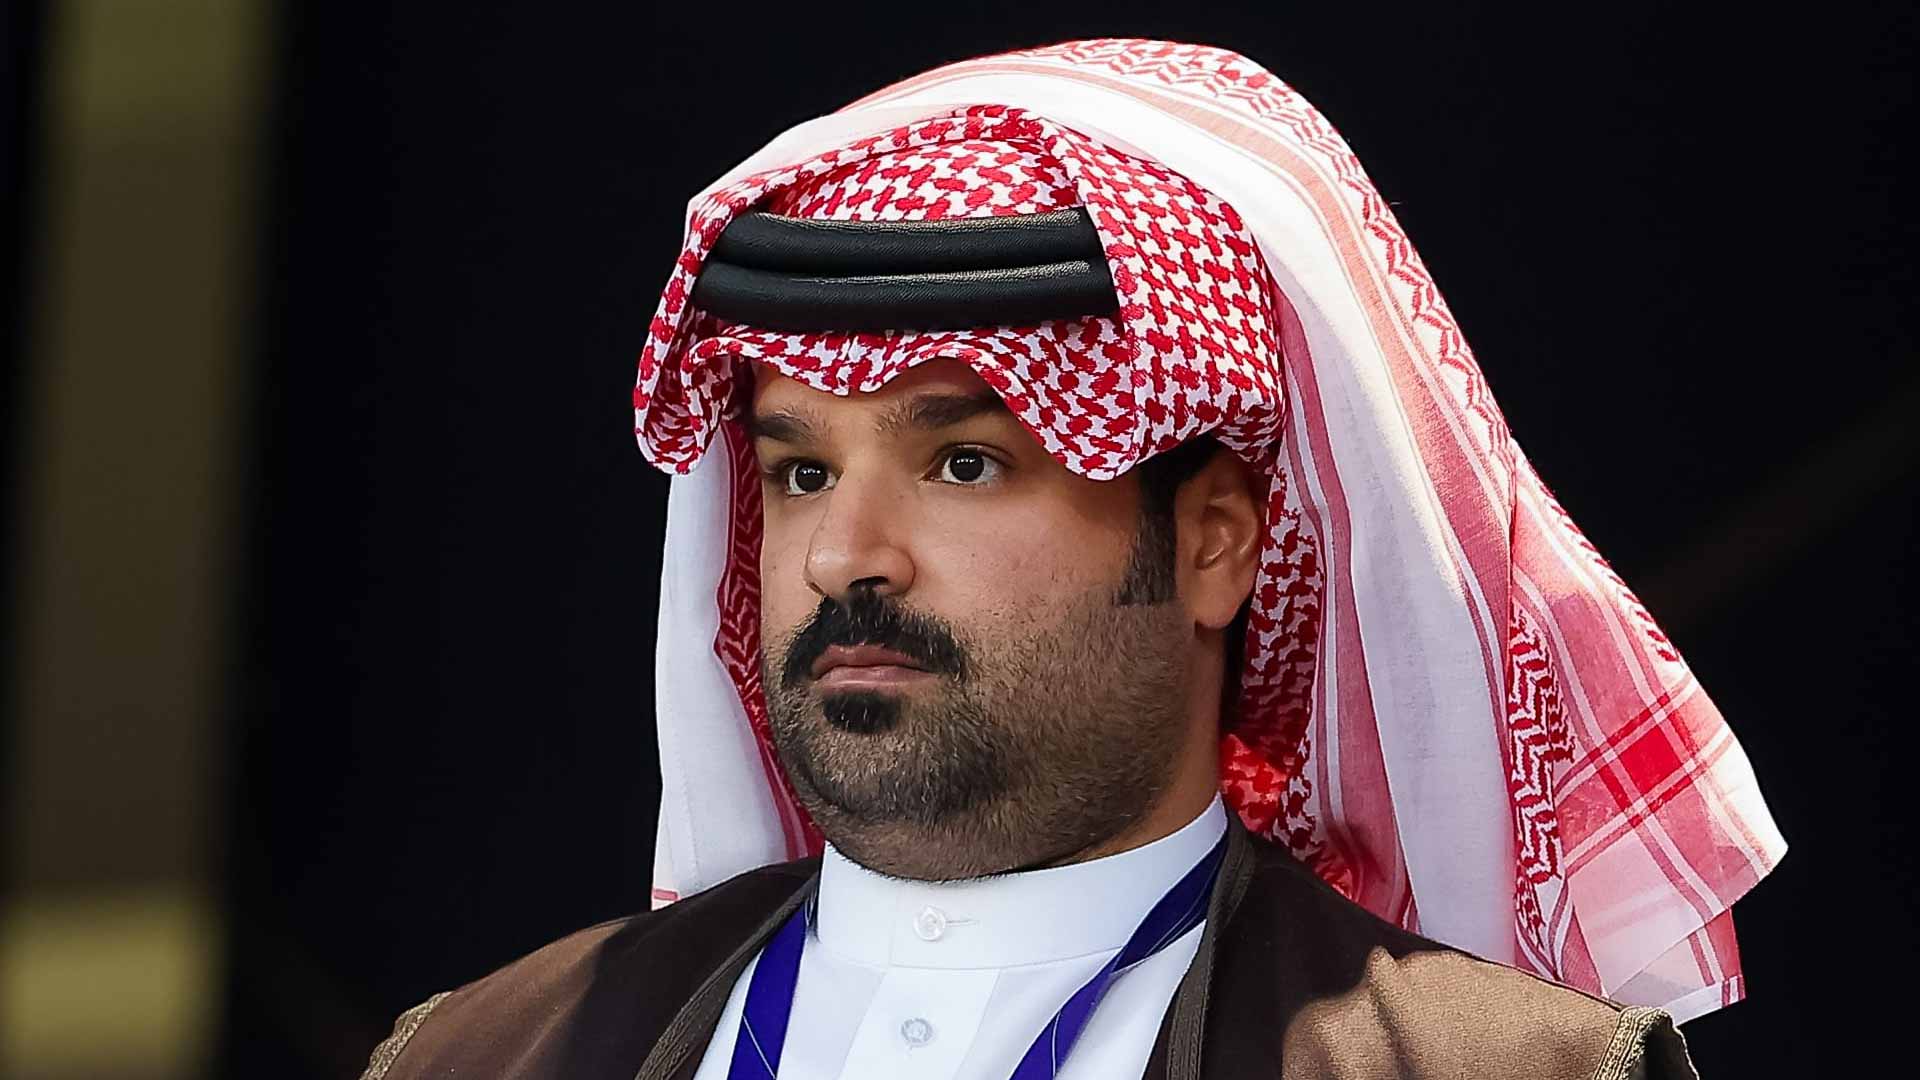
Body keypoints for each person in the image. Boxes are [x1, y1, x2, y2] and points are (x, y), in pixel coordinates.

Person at [360, 39, 1784, 1080]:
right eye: (801, 472)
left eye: (964, 463)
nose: (844, 557)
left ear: (1213, 542)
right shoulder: (481, 1055)